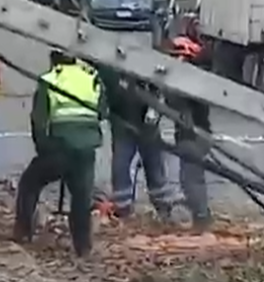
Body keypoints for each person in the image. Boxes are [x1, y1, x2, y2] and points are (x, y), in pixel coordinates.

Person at [13, 48, 104, 258]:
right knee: (81, 198)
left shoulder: (50, 79)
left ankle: (23, 231)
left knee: (29, 183)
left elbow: (39, 120)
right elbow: (102, 111)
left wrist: (44, 148)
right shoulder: (91, 77)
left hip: (59, 148)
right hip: (86, 149)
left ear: (54, 59)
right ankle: (83, 246)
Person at [98, 65, 173, 220]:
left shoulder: (119, 72)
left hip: (137, 125)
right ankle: (126, 209)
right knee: (127, 165)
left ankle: (159, 208)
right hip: (128, 124)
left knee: (137, 164)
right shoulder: (116, 74)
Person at [168, 33, 213, 231]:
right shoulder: (197, 79)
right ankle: (201, 214)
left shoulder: (189, 82)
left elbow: (175, 102)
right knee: (191, 178)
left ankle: (202, 218)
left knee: (191, 179)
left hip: (193, 136)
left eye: (176, 56)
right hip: (196, 135)